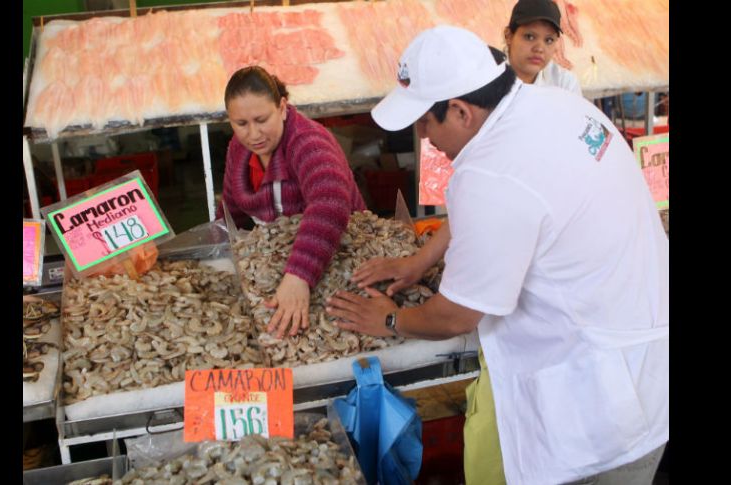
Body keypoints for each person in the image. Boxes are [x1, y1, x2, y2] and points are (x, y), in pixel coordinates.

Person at [326, 26, 668, 485]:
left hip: (595, 413)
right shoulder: (554, 104)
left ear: (462, 111)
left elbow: (456, 316)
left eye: (425, 121)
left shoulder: (490, 175)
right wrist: (418, 262)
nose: (422, 134)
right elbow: (511, 204)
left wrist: (389, 320)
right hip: (645, 362)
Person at [217, 66, 366, 339]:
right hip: (281, 260)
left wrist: (299, 276)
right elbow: (230, 209)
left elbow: (330, 203)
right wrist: (218, 252)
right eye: (241, 124)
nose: (253, 134)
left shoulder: (308, 142)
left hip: (339, 252)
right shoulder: (238, 150)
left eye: (261, 119)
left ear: (283, 107)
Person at [504, 0, 581, 95]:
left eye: (549, 40)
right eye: (529, 37)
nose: (539, 48)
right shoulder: (487, 77)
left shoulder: (564, 84)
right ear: (509, 36)